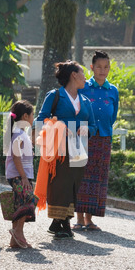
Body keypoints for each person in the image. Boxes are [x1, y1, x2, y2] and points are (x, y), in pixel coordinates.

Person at [34, 60, 97, 240]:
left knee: (74, 184)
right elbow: (41, 119)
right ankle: (63, 222)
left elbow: (93, 125)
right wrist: (59, 125)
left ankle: (59, 221)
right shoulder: (54, 95)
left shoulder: (85, 101)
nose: (86, 78)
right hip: (59, 149)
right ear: (74, 75)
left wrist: (88, 130)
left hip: (79, 149)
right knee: (59, 184)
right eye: (83, 73)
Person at [74, 50, 119, 231]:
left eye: (106, 67)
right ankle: (78, 219)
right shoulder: (83, 87)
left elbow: (113, 115)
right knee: (80, 175)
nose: (103, 70)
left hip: (104, 139)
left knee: (97, 178)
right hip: (83, 137)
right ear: (91, 67)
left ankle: (89, 219)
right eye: (99, 67)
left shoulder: (113, 90)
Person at [5, 100, 37, 248]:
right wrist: (23, 176)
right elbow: (16, 156)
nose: (33, 118)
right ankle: (18, 232)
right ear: (25, 116)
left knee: (19, 202)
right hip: (19, 175)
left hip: (21, 174)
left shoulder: (20, 133)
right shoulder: (18, 133)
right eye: (32, 115)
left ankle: (15, 240)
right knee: (27, 201)